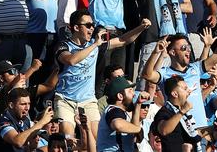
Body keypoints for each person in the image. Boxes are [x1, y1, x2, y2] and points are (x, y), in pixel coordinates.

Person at [54, 9, 150, 139]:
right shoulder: (64, 45)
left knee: (97, 137)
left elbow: (123, 40)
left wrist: (141, 28)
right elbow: (71, 60)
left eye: (92, 25)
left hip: (87, 100)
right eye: (87, 25)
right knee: (68, 137)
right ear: (76, 27)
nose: (91, 29)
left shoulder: (95, 46)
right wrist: (95, 45)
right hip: (66, 100)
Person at [141, 23, 217, 128]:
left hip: (201, 128)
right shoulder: (165, 73)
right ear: (172, 52)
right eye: (184, 48)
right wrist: (156, 52)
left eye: (188, 47)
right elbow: (147, 75)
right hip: (181, 131)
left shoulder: (195, 68)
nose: (188, 50)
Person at [96, 77, 149, 152]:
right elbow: (118, 125)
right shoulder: (114, 110)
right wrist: (139, 130)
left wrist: (138, 104)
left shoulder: (118, 111)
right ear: (120, 96)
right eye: (130, 91)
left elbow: (134, 129)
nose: (134, 94)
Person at [151, 76, 200, 151]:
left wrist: (212, 128)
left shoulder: (185, 115)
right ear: (175, 94)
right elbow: (164, 130)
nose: (189, 91)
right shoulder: (164, 112)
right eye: (185, 89)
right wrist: (182, 111)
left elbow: (192, 134)